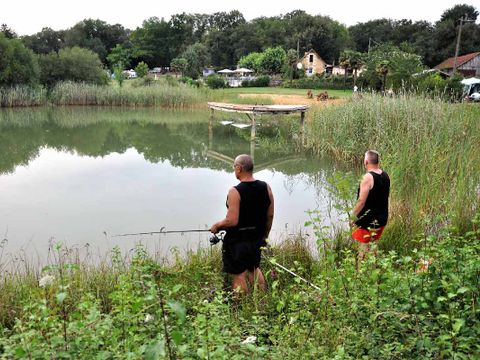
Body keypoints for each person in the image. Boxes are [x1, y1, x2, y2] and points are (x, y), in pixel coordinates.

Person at [210, 154, 274, 294]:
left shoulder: (235, 191)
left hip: (237, 242)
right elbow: (270, 215)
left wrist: (217, 226)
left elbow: (232, 221)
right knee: (254, 269)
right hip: (256, 238)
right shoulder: (266, 187)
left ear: (239, 168)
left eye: (234, 167)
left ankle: (241, 308)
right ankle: (261, 303)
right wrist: (264, 236)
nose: (234, 170)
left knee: (239, 274)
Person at [351, 150, 390, 260]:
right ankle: (375, 270)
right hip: (382, 220)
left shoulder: (367, 177)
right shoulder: (385, 175)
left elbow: (361, 202)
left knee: (363, 252)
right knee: (373, 247)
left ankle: (362, 275)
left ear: (366, 161)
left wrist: (352, 217)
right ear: (378, 161)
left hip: (368, 222)